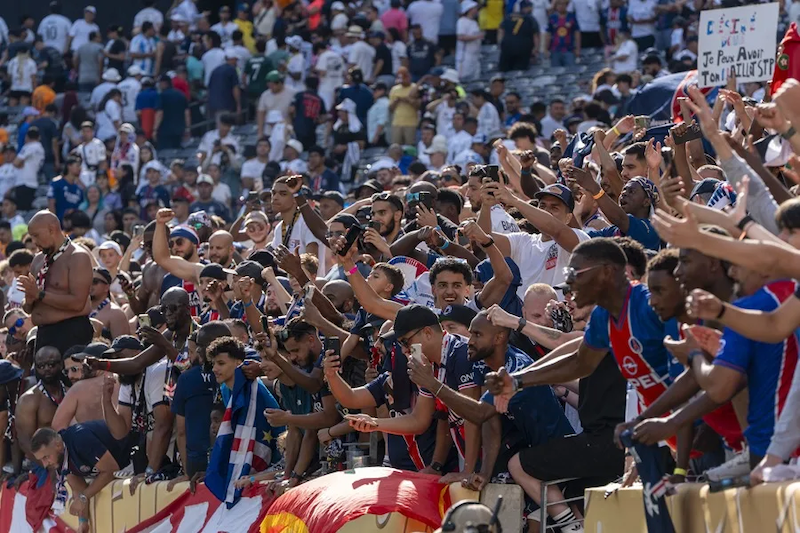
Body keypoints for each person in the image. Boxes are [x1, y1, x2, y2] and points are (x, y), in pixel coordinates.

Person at [19, 211, 93, 356]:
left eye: (36, 235)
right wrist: (29, 300)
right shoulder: (38, 260)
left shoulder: (77, 256)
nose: (34, 242)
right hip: (43, 333)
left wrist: (39, 294)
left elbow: (78, 303)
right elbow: (29, 307)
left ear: (51, 229)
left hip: (71, 331)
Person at [31, 421, 127, 529]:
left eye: (46, 457)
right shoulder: (59, 456)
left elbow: (111, 470)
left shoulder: (80, 439)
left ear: (57, 445)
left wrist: (84, 497)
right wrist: (83, 522)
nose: (45, 464)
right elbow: (78, 488)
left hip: (132, 458)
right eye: (41, 460)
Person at [15, 346, 67, 462]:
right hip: (43, 462)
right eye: (41, 366)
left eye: (51, 364)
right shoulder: (28, 400)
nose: (46, 369)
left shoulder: (70, 391)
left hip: (73, 455)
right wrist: (49, 464)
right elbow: (25, 442)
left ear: (61, 364)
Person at [12, 126, 44, 210]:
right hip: (31, 181)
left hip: (25, 182)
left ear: (27, 137)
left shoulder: (31, 146)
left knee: (23, 210)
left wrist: (21, 163)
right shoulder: (40, 147)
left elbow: (16, 162)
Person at [47, 153, 84, 222]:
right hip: (58, 223)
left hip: (74, 226)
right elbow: (51, 203)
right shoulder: (56, 183)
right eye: (77, 166)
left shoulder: (79, 188)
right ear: (69, 166)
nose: (80, 168)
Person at [456, 1, 482, 81]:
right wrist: (477, 37)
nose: (476, 10)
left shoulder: (474, 22)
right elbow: (460, 37)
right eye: (474, 8)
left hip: (475, 55)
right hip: (465, 56)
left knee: (475, 78)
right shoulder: (462, 21)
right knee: (464, 78)